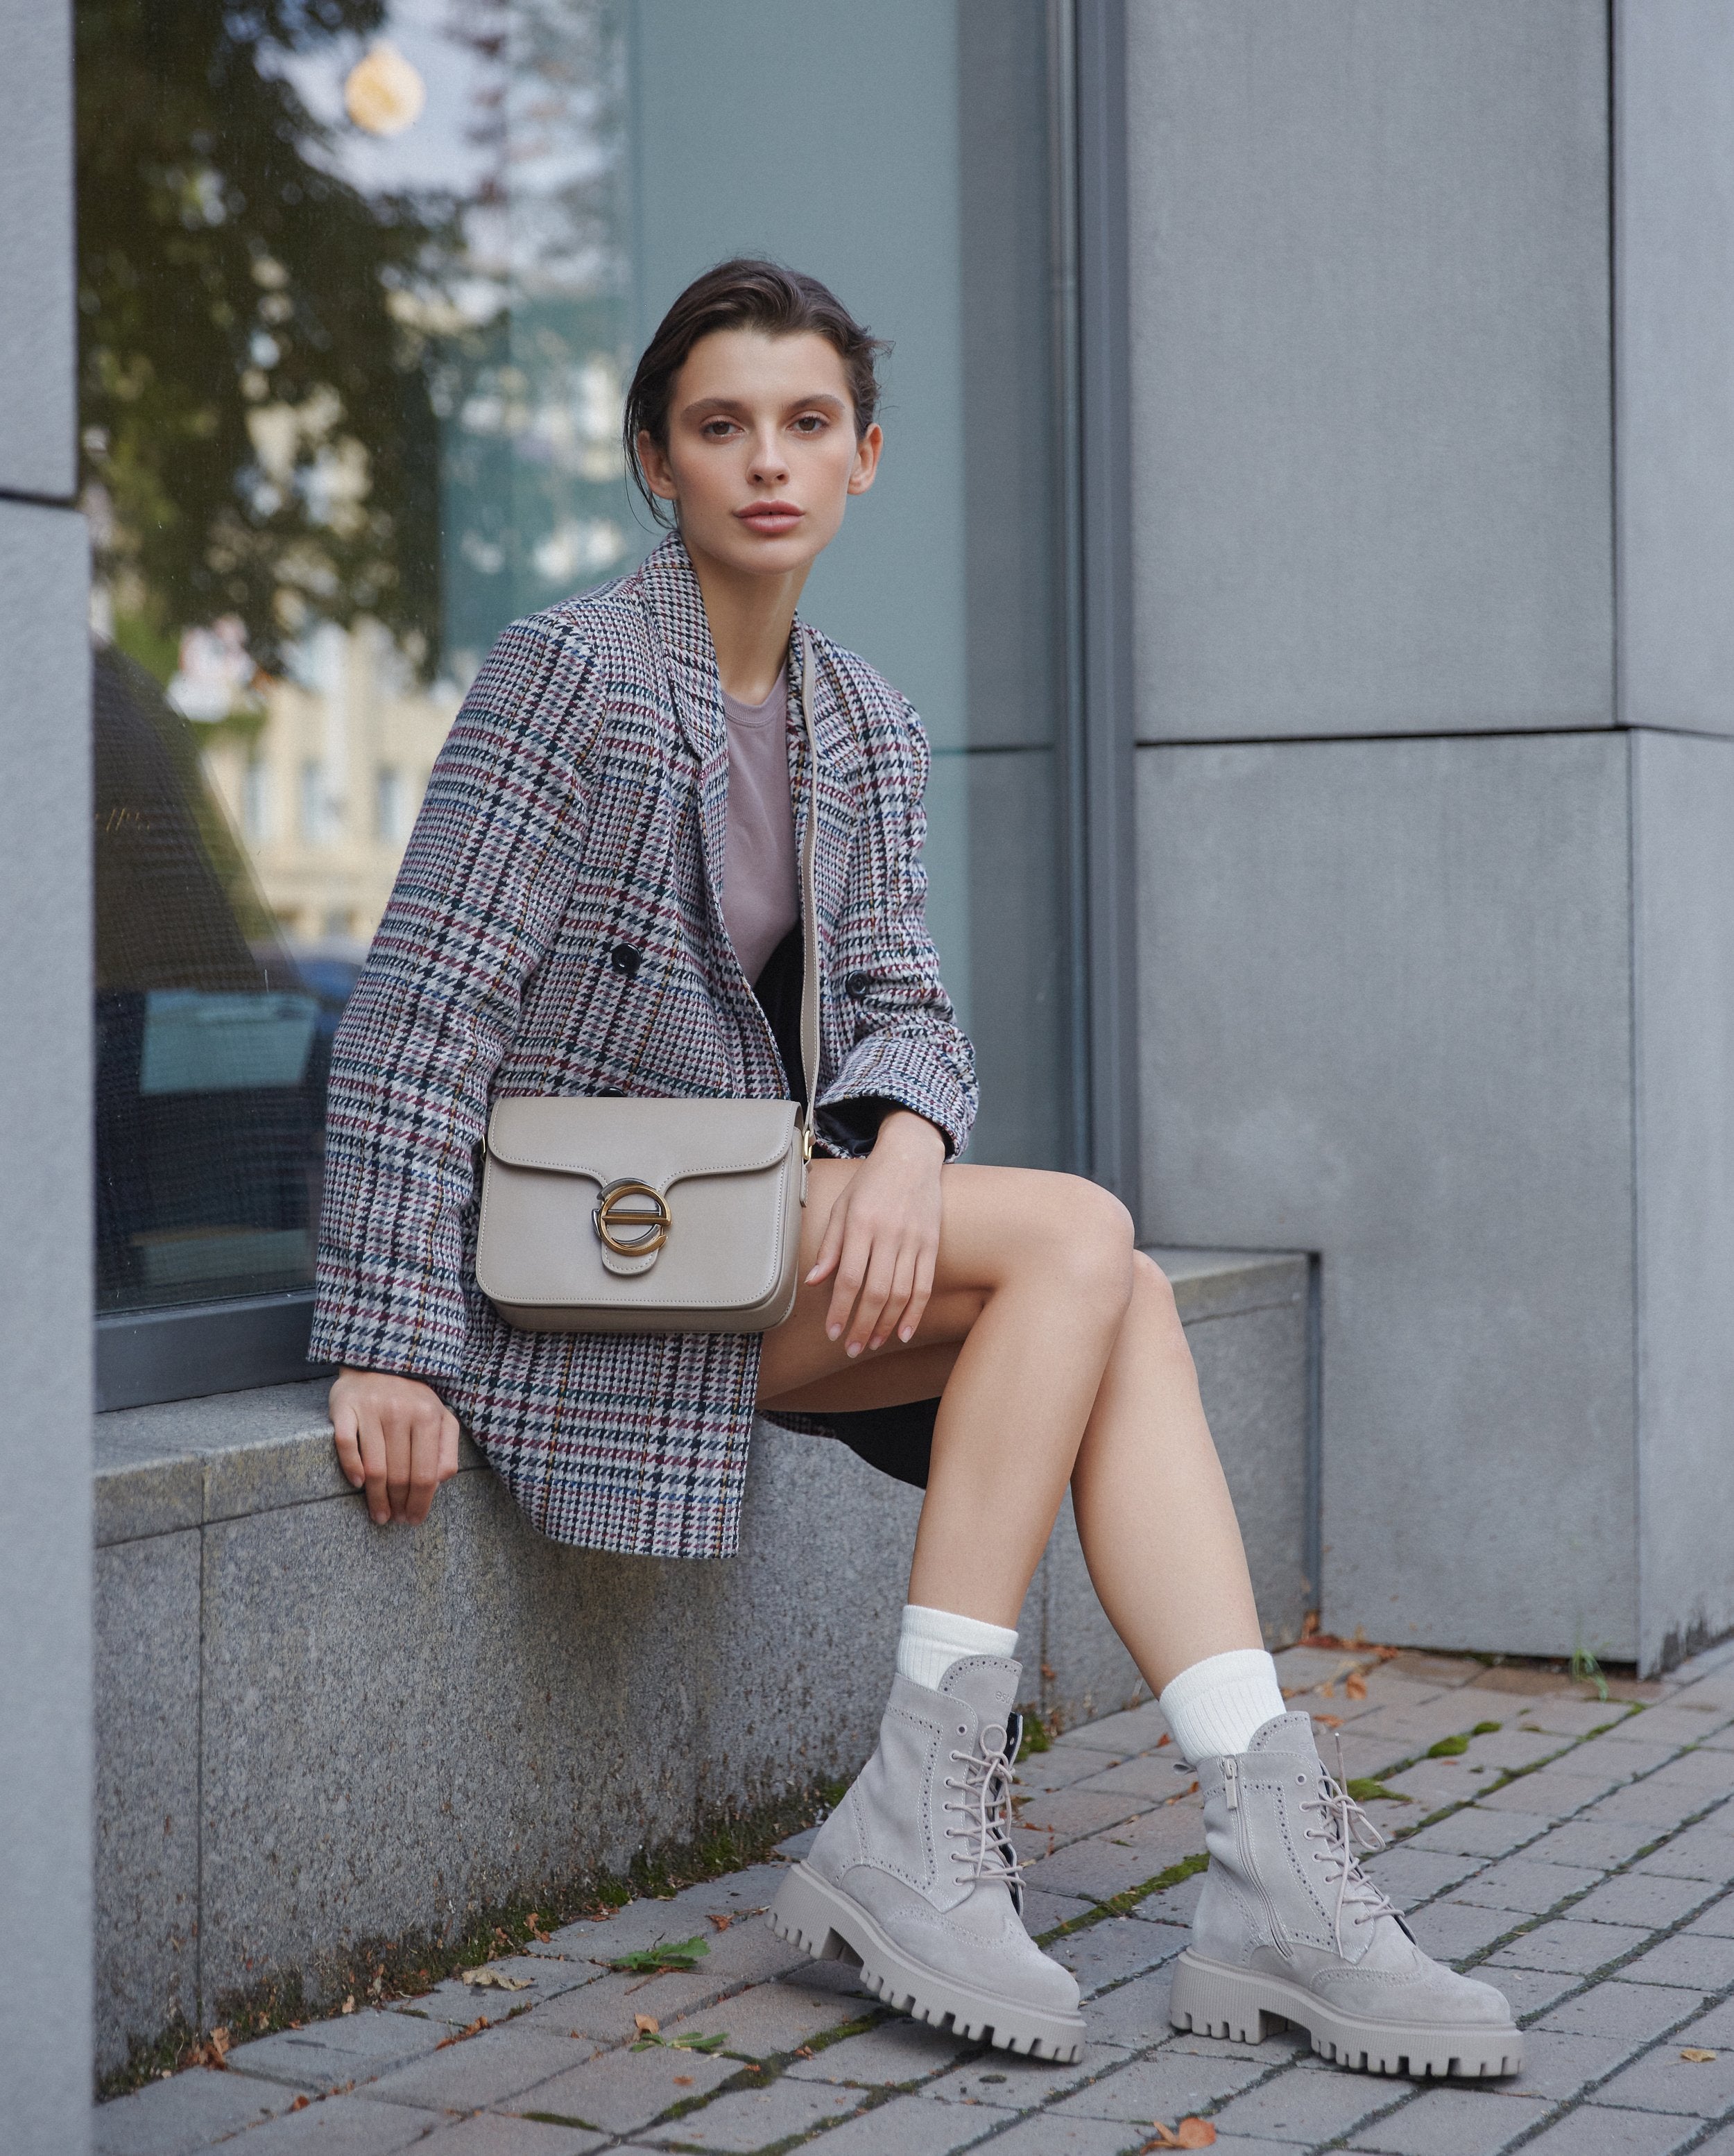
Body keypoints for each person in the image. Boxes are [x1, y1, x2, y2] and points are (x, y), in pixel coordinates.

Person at [311, 259, 1521, 2078]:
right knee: (1086, 1238)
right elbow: (419, 1012)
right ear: (658, 457)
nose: (766, 462)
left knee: (1105, 1298)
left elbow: (906, 1004)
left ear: (864, 455)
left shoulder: (862, 717)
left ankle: (1271, 1868)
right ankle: (930, 1829)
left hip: (750, 1271)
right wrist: (389, 1337)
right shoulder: (566, 676)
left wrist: (905, 1144)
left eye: (806, 425)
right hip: (585, 1281)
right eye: (720, 426)